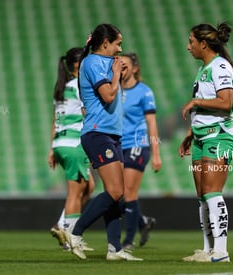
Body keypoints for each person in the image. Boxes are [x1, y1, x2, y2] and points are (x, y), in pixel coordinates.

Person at [66, 23, 142, 261]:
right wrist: (117, 74)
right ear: (105, 43)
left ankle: (114, 249)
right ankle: (74, 232)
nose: (121, 48)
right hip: (98, 133)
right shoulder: (91, 62)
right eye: (118, 43)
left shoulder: (108, 63)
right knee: (116, 190)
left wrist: (122, 71)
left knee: (117, 194)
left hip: (112, 134)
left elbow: (118, 81)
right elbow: (108, 95)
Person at [179, 22, 233, 263]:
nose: (188, 46)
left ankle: (221, 251)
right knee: (203, 195)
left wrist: (195, 103)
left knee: (213, 192)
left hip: (219, 136)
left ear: (204, 44)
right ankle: (207, 249)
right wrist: (191, 134)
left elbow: (226, 102)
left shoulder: (220, 66)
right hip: (202, 137)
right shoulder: (204, 69)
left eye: (191, 41)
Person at [47, 47, 95, 251]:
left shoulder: (61, 87)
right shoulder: (80, 84)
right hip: (75, 143)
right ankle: (71, 240)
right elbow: (87, 113)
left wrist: (51, 149)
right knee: (75, 193)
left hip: (60, 142)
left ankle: (61, 225)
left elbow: (55, 119)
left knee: (89, 187)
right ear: (78, 64)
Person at [120, 53, 161, 250]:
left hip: (137, 144)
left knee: (128, 191)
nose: (121, 68)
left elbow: (151, 124)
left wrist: (156, 153)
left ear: (135, 68)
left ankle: (128, 240)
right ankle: (142, 222)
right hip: (118, 146)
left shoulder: (144, 92)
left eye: (125, 65)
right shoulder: (113, 91)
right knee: (117, 193)